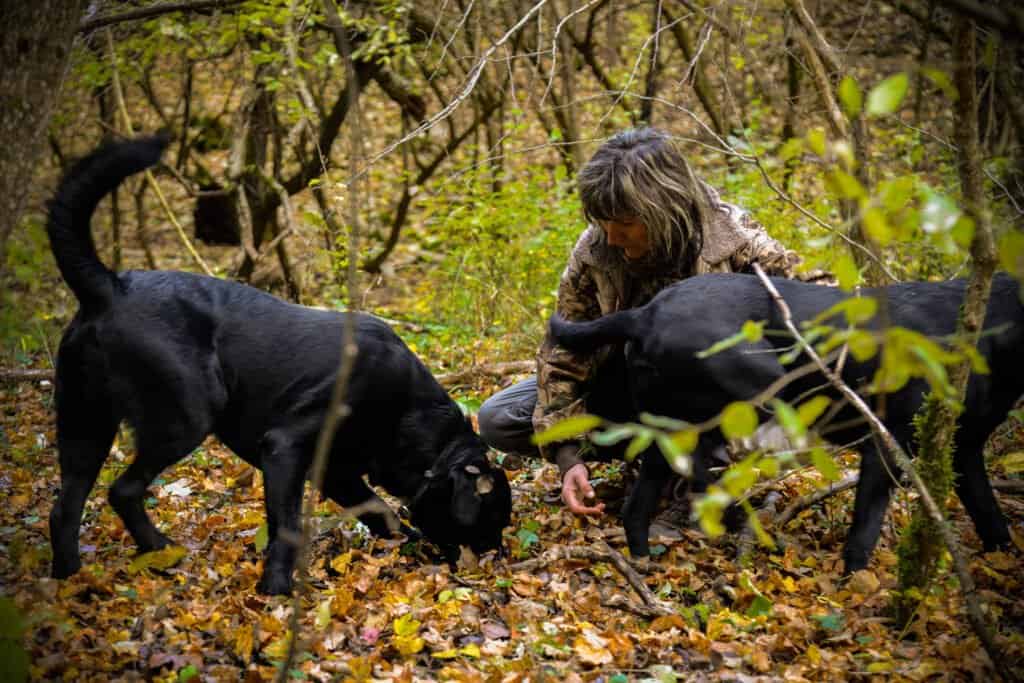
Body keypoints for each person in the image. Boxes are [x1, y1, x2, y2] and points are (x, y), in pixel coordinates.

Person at [478, 127, 810, 518]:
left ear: (662, 208)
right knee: (500, 418)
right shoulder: (596, 249)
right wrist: (569, 457)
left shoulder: (735, 240)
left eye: (625, 222)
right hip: (625, 390)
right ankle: (657, 462)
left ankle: (698, 473)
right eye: (603, 222)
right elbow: (564, 350)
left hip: (724, 403)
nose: (612, 236)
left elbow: (813, 303)